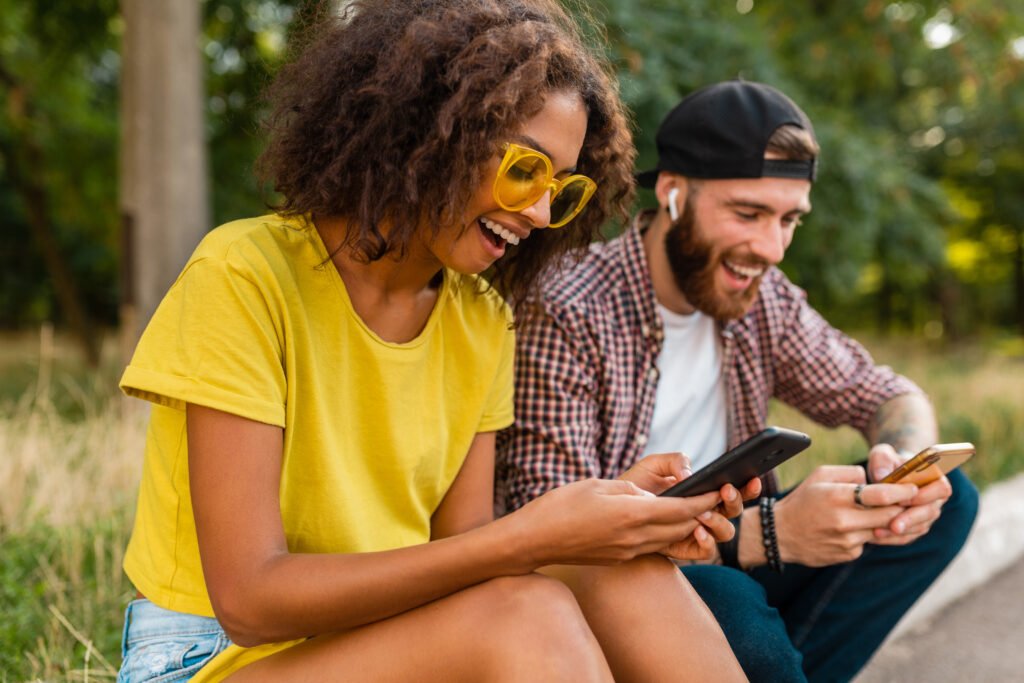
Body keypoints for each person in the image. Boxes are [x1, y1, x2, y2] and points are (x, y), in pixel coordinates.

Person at [114, 3, 751, 681]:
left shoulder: (480, 320)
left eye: (560, 190)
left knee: (630, 575)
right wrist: (531, 534)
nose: (538, 213)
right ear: (431, 132)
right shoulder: (243, 276)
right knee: (525, 615)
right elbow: (250, 600)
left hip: (382, 637)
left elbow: (463, 554)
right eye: (524, 170)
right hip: (208, 655)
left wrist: (606, 522)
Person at [496, 79, 980, 682]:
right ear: (672, 194)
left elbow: (885, 391)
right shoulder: (567, 304)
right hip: (618, 580)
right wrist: (766, 536)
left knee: (947, 499)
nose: (771, 247)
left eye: (789, 220)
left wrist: (902, 466)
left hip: (735, 541)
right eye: (748, 213)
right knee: (733, 608)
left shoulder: (760, 295)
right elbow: (550, 534)